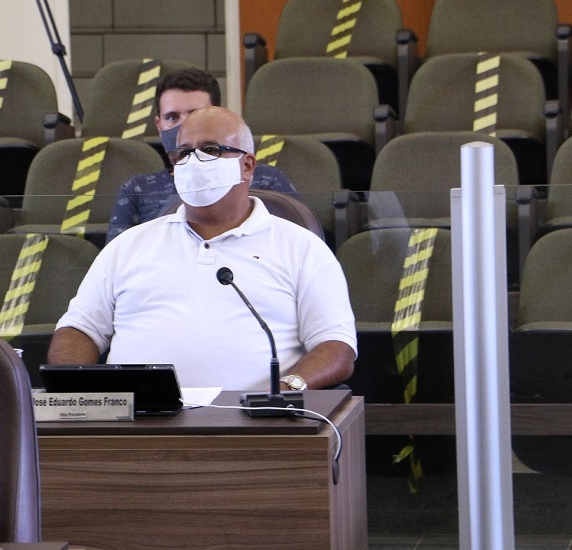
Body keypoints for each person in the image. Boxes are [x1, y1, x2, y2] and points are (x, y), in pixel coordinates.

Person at [49, 106, 356, 391]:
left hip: (255, 425)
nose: (193, 162)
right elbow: (79, 331)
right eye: (183, 153)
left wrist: (282, 391)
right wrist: (81, 397)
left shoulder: (302, 248)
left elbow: (335, 347)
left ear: (247, 166)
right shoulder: (128, 246)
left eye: (210, 149)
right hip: (135, 426)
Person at [105, 67, 298, 243]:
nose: (186, 125)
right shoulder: (137, 189)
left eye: (195, 114)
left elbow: (295, 243)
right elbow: (120, 259)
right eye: (172, 117)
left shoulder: (267, 179)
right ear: (159, 125)